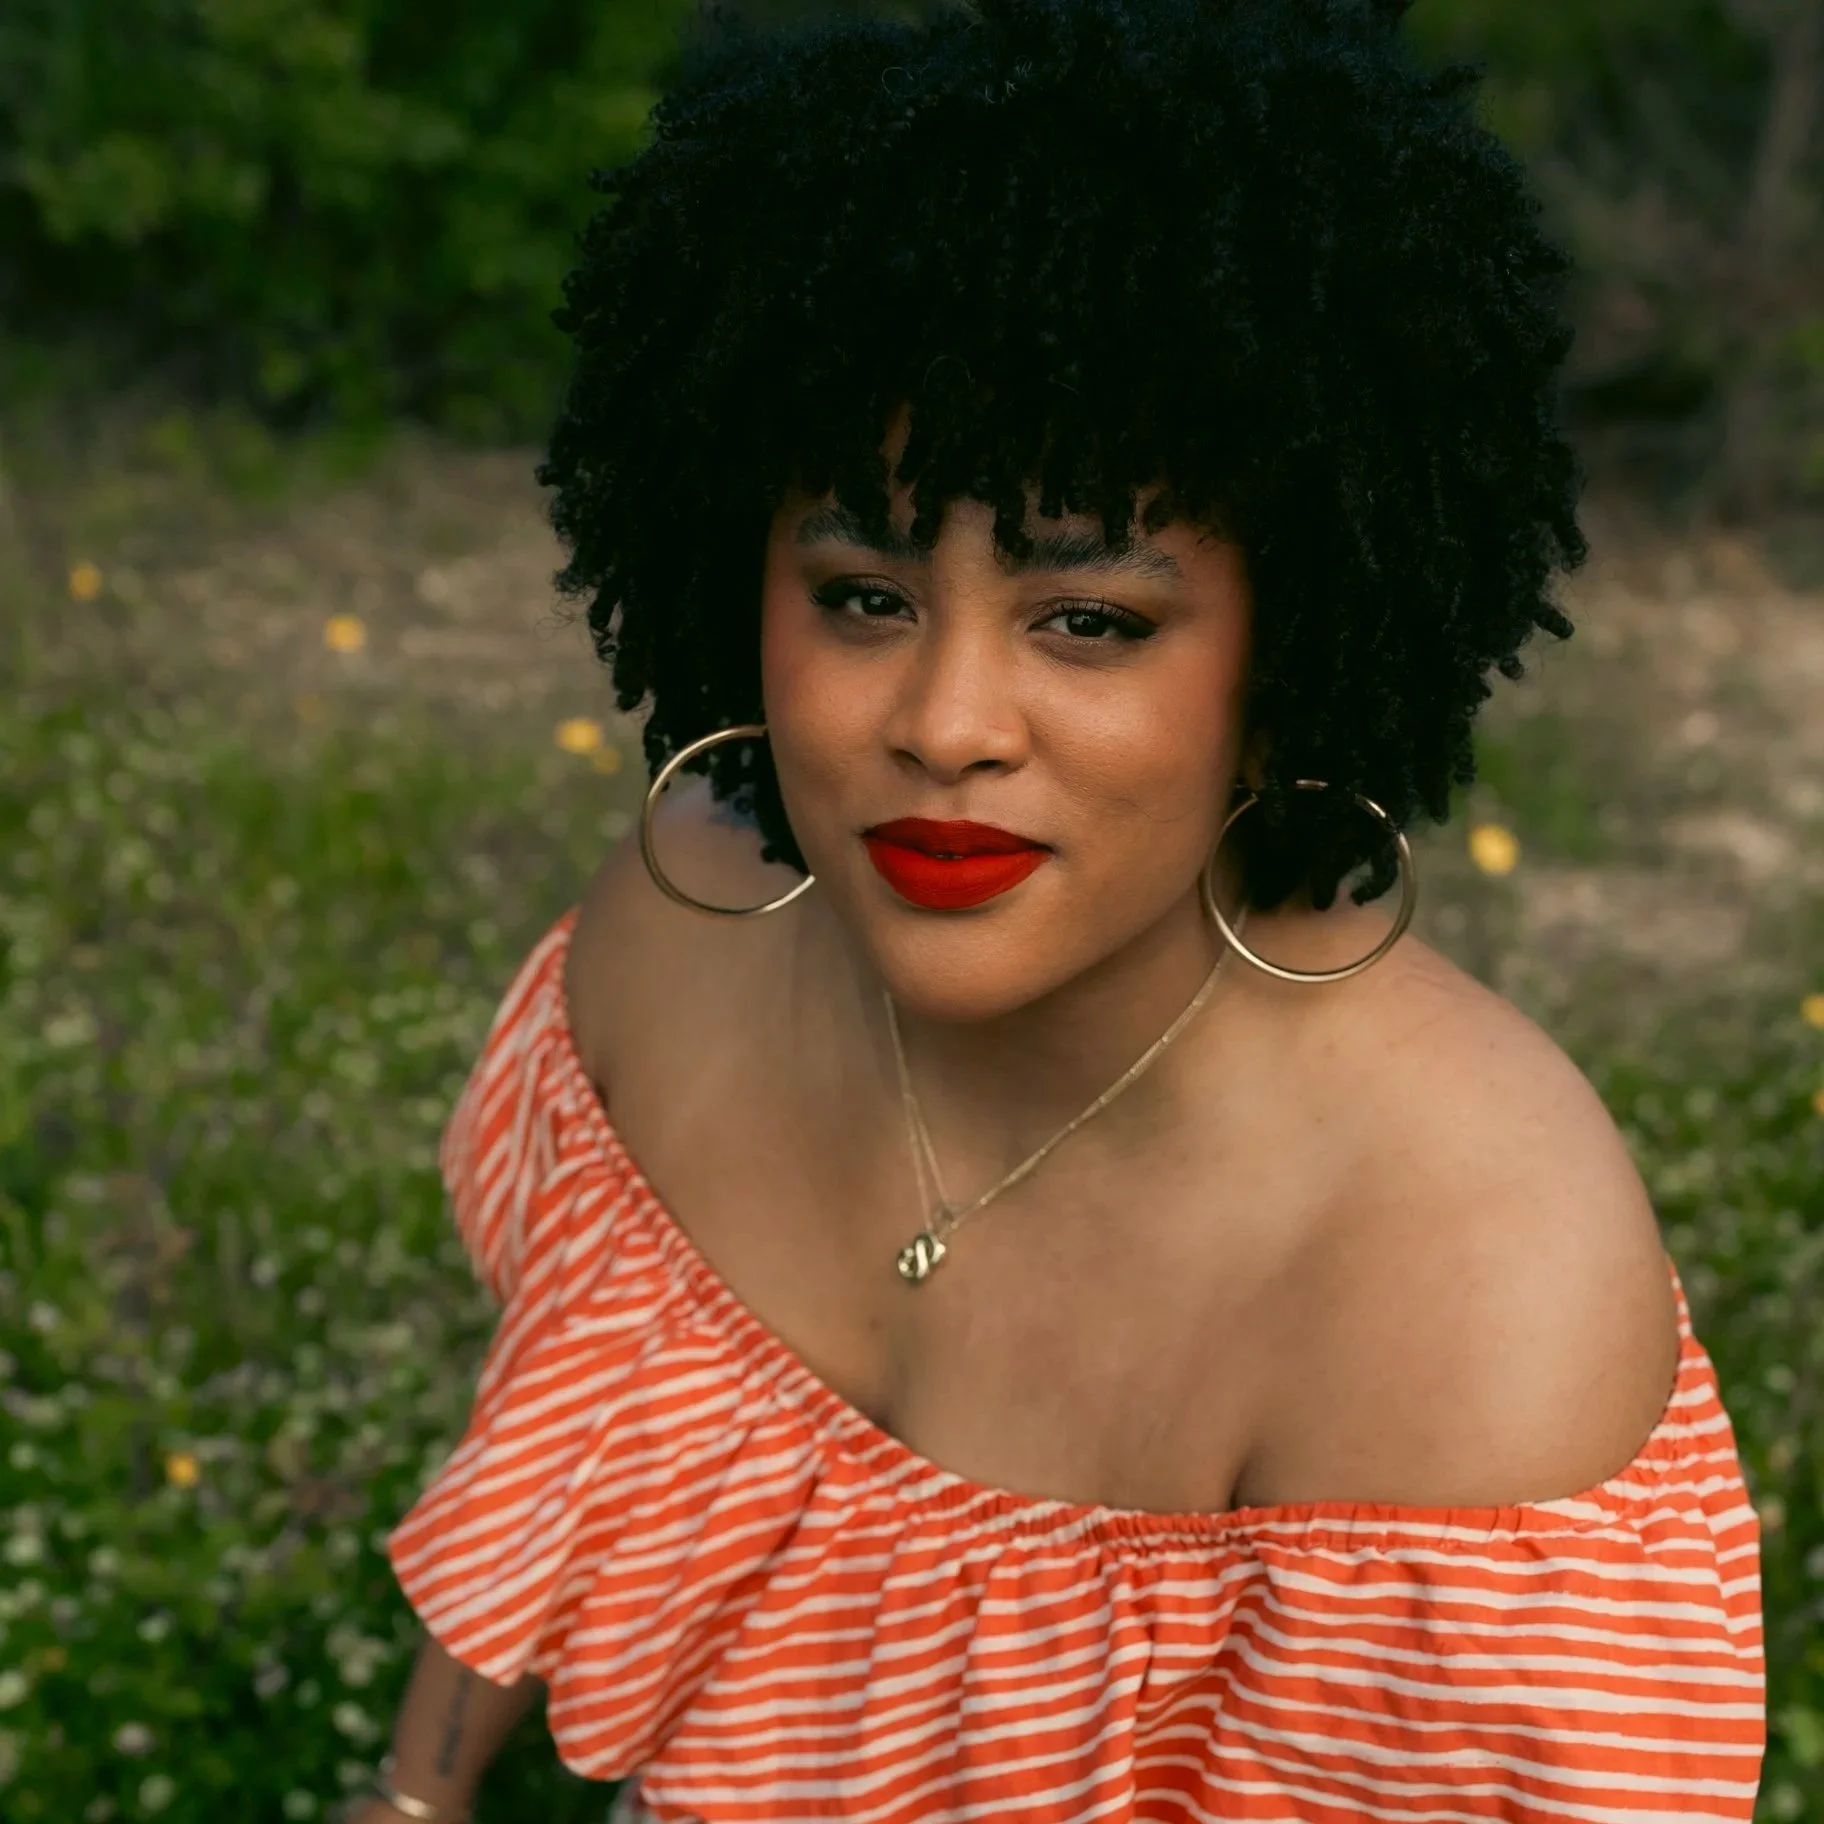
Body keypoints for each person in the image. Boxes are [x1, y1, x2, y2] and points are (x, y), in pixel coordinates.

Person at [343, 0, 1767, 1818]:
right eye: (860, 594)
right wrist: (410, 1800)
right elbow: (564, 1454)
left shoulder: (1468, 1292)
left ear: (1292, 655)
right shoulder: (676, 940)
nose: (942, 724)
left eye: (1090, 620)